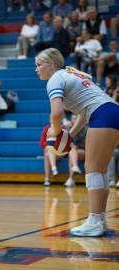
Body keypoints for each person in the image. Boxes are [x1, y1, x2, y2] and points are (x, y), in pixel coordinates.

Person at [35, 47, 119, 237]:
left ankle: (95, 221)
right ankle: (99, 220)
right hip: (113, 112)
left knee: (93, 170)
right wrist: (69, 134)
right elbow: (82, 112)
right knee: (101, 171)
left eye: (39, 65)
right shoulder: (69, 75)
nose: (36, 69)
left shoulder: (55, 79)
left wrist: (55, 133)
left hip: (102, 114)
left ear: (51, 64)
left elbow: (56, 114)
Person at [64, 114, 88, 187]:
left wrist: (76, 146)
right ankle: (75, 167)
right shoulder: (69, 128)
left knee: (72, 150)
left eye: (75, 119)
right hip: (74, 151)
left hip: (84, 151)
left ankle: (71, 179)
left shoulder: (87, 129)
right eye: (72, 118)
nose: (72, 120)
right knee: (72, 150)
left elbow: (86, 145)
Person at [39, 117, 63, 186]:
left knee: (48, 152)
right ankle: (53, 168)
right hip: (50, 151)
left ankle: (47, 178)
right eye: (50, 118)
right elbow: (42, 142)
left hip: (60, 152)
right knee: (47, 153)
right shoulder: (46, 128)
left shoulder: (63, 128)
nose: (52, 120)